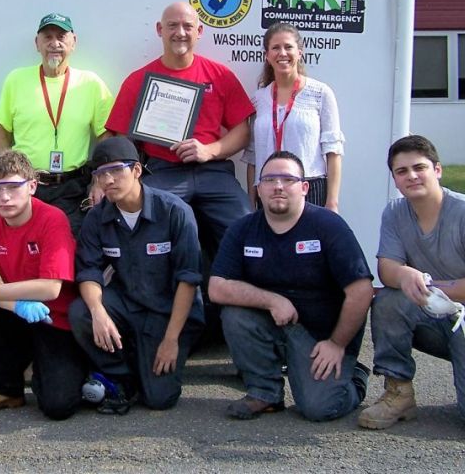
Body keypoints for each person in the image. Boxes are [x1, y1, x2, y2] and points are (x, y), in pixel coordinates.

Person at [209, 150, 373, 421]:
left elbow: (362, 290)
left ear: (305, 187)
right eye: (270, 180)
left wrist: (336, 343)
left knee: (318, 408)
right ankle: (265, 392)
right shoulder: (243, 228)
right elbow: (217, 287)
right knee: (235, 314)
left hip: (323, 336)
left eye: (288, 179)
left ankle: (353, 376)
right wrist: (273, 301)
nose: (278, 186)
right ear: (258, 189)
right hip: (276, 323)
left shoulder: (328, 226)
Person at [105, 1, 253, 259]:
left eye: (188, 26)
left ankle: (234, 295)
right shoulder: (138, 80)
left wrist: (210, 150)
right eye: (172, 26)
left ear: (200, 31)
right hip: (162, 170)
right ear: (159, 29)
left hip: (214, 172)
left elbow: (243, 130)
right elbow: (118, 136)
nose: (180, 32)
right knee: (146, 233)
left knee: (246, 229)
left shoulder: (219, 75)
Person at [69, 136, 204, 415]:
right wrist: (98, 312)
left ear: (137, 171)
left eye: (116, 171)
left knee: (159, 398)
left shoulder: (175, 212)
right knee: (81, 311)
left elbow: (188, 279)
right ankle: (120, 376)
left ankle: (147, 355)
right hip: (126, 304)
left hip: (166, 314)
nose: (108, 180)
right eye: (100, 174)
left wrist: (171, 340)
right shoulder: (97, 217)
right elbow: (89, 271)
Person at [0, 150, 86, 420]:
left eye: (13, 187)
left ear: (31, 186)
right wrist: (15, 304)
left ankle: (65, 368)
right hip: (17, 311)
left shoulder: (53, 219)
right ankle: (4, 388)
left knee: (58, 406)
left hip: (55, 319)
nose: (4, 197)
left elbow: (51, 289)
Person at [359, 135, 465, 429]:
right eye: (402, 171)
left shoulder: (462, 212)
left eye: (420, 167)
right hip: (432, 317)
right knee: (389, 300)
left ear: (438, 170)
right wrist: (405, 274)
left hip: (462, 319)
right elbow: (387, 268)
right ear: (394, 179)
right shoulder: (394, 212)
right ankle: (399, 393)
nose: (412, 176)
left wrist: (432, 286)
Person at [0, 12, 114, 234]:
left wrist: (99, 180)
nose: (54, 43)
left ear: (73, 42)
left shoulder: (91, 83)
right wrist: (3, 182)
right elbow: (2, 132)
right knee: (25, 248)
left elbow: (106, 136)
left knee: (66, 251)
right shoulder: (16, 80)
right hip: (26, 186)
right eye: (47, 37)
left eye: (61, 36)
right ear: (37, 44)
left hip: (72, 189)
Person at [242, 22, 344, 211]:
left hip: (310, 186)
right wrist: (251, 198)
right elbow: (253, 156)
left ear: (300, 52)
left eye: (288, 47)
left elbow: (333, 150)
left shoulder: (320, 93)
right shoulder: (258, 99)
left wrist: (332, 201)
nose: (282, 53)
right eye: (275, 48)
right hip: (269, 187)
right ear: (267, 55)